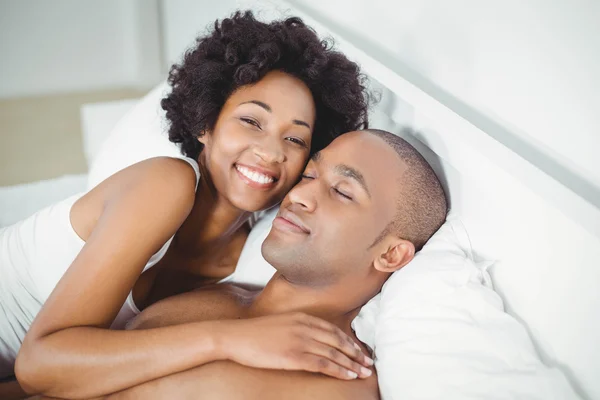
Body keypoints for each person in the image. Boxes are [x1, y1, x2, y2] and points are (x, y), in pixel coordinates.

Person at [0, 10, 370, 397]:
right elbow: (39, 364)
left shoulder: (251, 262)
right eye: (251, 121)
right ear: (205, 124)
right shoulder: (166, 184)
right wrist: (229, 339)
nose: (271, 151)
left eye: (295, 139)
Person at [105, 129, 448, 399]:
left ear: (391, 255)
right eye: (310, 175)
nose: (298, 196)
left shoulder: (334, 381)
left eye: (342, 192)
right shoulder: (214, 292)